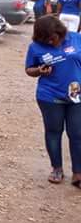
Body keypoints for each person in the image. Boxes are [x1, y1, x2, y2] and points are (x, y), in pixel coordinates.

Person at [25, 15, 81, 187]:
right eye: (46, 40)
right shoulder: (35, 47)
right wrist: (39, 70)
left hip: (76, 94)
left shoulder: (76, 38)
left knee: (77, 134)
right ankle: (57, 169)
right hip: (49, 96)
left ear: (60, 31)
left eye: (53, 38)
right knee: (53, 132)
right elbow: (29, 69)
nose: (50, 42)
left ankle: (78, 173)